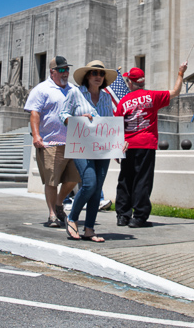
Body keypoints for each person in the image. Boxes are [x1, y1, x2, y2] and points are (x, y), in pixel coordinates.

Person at [114, 61, 187, 228]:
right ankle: (139, 217)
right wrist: (180, 73)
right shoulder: (153, 96)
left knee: (125, 179)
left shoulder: (123, 101)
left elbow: (117, 126)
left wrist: (116, 149)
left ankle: (122, 215)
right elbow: (175, 91)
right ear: (142, 81)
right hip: (146, 144)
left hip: (127, 145)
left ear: (130, 82)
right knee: (142, 180)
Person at [59, 60, 119, 243]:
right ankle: (72, 217)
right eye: (94, 73)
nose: (98, 77)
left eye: (101, 74)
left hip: (101, 147)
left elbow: (110, 123)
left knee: (97, 187)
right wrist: (78, 119)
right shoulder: (76, 93)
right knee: (89, 182)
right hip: (81, 144)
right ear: (87, 76)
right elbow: (63, 114)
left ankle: (89, 229)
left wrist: (117, 145)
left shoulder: (107, 97)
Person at [24, 56, 80, 228]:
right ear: (52, 72)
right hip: (50, 142)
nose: (65, 73)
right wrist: (36, 135)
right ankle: (52, 215)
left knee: (73, 179)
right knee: (52, 180)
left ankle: (58, 202)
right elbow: (35, 113)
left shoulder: (74, 90)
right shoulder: (42, 89)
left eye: (67, 69)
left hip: (72, 143)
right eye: (61, 70)